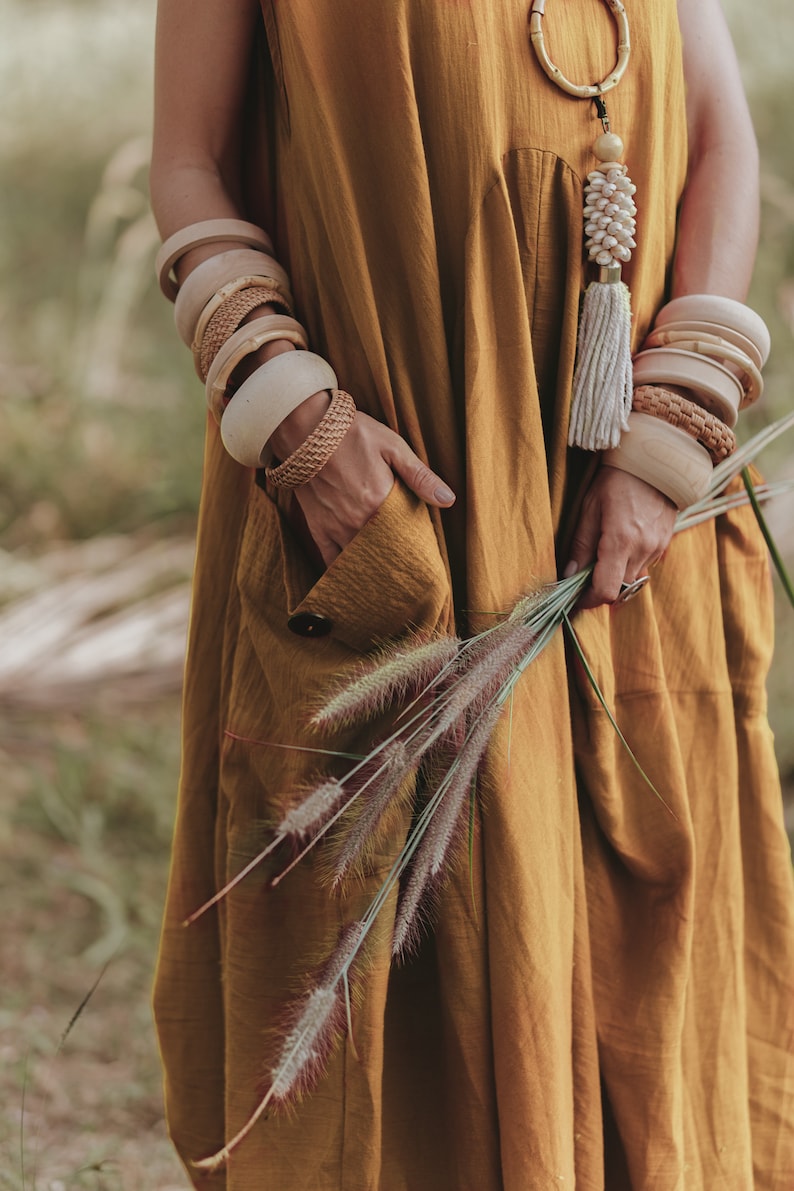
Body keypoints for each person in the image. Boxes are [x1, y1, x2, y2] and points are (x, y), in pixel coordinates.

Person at [150, 0, 794, 1186]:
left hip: (622, 484)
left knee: (629, 917)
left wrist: (669, 431)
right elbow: (184, 154)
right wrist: (292, 412)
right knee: (392, 916)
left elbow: (719, 138)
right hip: (382, 465)